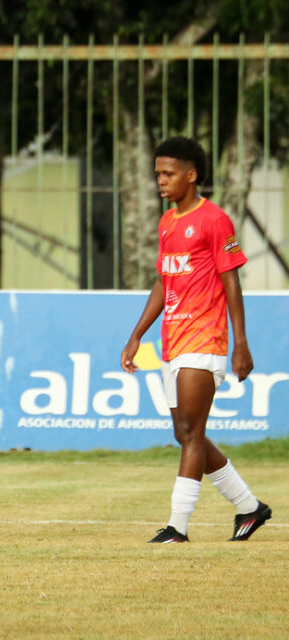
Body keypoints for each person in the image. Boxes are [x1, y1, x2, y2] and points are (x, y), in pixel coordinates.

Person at [120, 136, 272, 544]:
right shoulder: (167, 222)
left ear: (191, 175)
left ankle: (177, 527)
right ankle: (249, 507)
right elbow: (162, 281)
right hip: (173, 339)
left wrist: (241, 343)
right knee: (187, 433)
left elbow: (231, 281)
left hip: (205, 339)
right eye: (158, 174)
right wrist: (136, 335)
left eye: (168, 174)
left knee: (189, 431)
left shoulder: (214, 220)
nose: (160, 181)